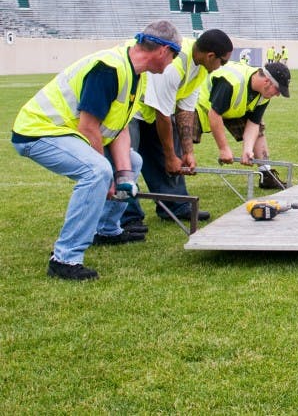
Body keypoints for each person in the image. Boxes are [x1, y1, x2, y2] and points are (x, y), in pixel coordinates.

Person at [11, 21, 182, 280]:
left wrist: (123, 174)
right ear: (162, 50)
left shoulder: (136, 75)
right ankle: (65, 257)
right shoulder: (109, 68)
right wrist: (108, 177)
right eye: (174, 55)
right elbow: (89, 127)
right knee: (97, 171)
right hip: (38, 132)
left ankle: (106, 229)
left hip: (65, 133)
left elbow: (119, 128)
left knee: (133, 162)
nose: (173, 62)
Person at [120, 28, 234, 232]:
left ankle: (175, 205)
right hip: (130, 108)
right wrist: (171, 156)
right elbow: (163, 116)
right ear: (210, 56)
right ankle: (127, 217)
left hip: (151, 109)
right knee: (126, 162)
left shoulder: (200, 68)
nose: (221, 67)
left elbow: (185, 112)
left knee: (172, 153)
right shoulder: (174, 63)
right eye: (222, 62)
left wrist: (187, 152)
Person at [195, 61, 290, 189]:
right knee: (182, 138)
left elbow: (254, 123)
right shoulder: (232, 82)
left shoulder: (264, 94)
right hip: (202, 104)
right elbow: (214, 114)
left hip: (232, 107)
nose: (278, 94)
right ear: (267, 81)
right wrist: (224, 148)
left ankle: (266, 175)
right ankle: (171, 183)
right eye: (277, 89)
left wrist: (248, 149)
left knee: (259, 126)